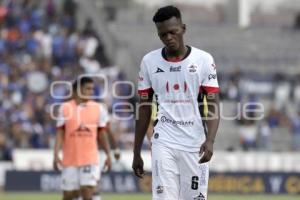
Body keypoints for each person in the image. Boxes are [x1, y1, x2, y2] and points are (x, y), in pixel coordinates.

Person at [132, 5, 220, 200]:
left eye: (173, 32)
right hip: (163, 141)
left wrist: (210, 140)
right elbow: (144, 108)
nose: (168, 37)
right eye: (162, 34)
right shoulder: (149, 62)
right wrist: (136, 151)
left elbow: (213, 103)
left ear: (183, 28)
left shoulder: (204, 60)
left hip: (195, 144)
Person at [53, 76, 112, 200]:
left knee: (87, 190)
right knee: (68, 195)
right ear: (78, 90)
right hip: (70, 159)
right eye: (88, 89)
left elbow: (102, 133)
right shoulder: (65, 108)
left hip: (90, 158)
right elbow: (60, 133)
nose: (91, 92)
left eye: (92, 89)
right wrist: (56, 155)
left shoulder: (98, 108)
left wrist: (108, 154)